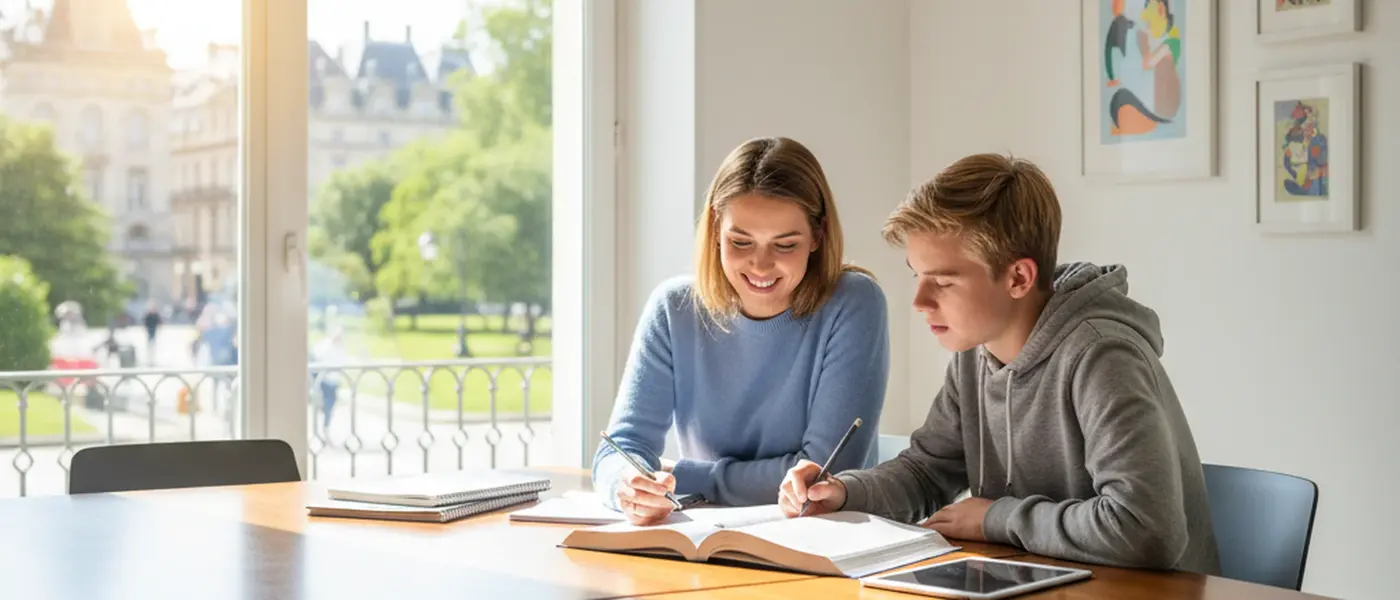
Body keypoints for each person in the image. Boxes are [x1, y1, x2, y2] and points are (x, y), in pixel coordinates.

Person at [778, 153, 1220, 574]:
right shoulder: (976, 352)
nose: (919, 301)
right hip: (1037, 581)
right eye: (918, 275)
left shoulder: (1101, 357)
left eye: (944, 281)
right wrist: (844, 492)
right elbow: (927, 472)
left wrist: (997, 519)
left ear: (1018, 278)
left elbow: (1147, 530)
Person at [594, 136, 890, 525]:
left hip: (818, 538)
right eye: (740, 241)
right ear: (716, 230)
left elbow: (820, 478)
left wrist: (687, 475)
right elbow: (622, 448)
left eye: (785, 244)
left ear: (817, 237)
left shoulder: (854, 302)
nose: (761, 265)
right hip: (703, 538)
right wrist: (628, 485)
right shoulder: (673, 308)